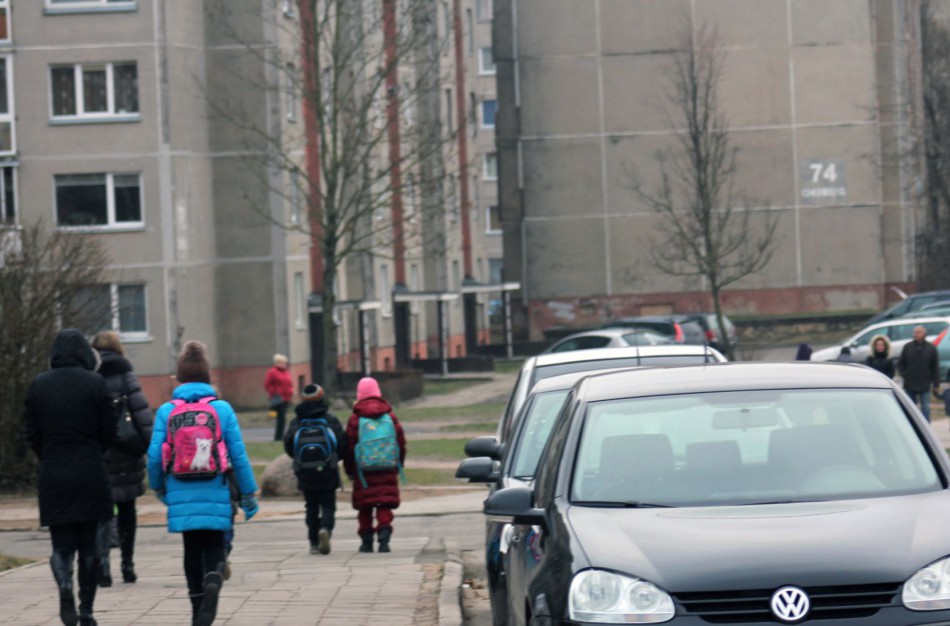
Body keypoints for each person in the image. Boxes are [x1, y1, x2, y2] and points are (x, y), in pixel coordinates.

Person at [147, 340, 259, 626]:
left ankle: (198, 607)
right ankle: (213, 580)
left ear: (179, 378)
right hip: (216, 487)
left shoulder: (166, 411)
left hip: (181, 489)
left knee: (191, 549)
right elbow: (239, 456)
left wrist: (159, 487)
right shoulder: (222, 409)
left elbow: (154, 458)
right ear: (209, 376)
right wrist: (248, 493)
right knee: (214, 546)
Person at [23, 329, 117, 626]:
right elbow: (109, 430)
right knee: (90, 545)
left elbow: (31, 432)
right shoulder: (96, 384)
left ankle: (65, 586)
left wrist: (48, 454)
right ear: (84, 355)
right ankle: (86, 609)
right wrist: (94, 450)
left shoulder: (38, 385)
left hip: (54, 470)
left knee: (62, 545)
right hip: (90, 469)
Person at [91, 331, 153, 587]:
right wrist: (150, 443)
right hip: (128, 450)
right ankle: (128, 564)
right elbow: (140, 409)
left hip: (101, 452)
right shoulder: (126, 372)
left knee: (103, 511)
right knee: (127, 508)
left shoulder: (90, 374)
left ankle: (103, 564)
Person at [343, 377, 406, 553]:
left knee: (365, 505)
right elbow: (400, 442)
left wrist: (349, 470)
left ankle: (366, 541)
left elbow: (348, 448)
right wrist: (398, 463)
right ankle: (384, 536)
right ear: (378, 392)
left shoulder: (355, 419)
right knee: (384, 503)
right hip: (387, 466)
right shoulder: (390, 416)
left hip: (363, 470)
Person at [283, 383, 347, 555]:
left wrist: (300, 460)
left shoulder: (297, 421)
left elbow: (288, 445)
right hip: (327, 469)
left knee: (311, 506)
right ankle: (325, 529)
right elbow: (342, 444)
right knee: (328, 505)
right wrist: (334, 458)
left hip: (305, 472)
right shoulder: (329, 419)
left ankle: (313, 542)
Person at [898, 325, 940, 422]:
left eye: (918, 332)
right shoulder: (907, 347)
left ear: (923, 333)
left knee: (925, 408)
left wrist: (936, 384)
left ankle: (926, 428)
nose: (915, 334)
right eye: (914, 332)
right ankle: (913, 426)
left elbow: (935, 367)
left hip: (924, 383)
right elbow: (901, 363)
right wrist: (905, 374)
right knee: (911, 408)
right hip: (910, 383)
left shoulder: (931, 348)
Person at [264, 354, 294, 441]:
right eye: (282, 362)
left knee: (282, 418)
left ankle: (280, 436)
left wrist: (291, 392)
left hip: (286, 398)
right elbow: (267, 384)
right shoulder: (272, 372)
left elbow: (289, 383)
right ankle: (278, 437)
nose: (284, 364)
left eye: (285, 362)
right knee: (281, 418)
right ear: (277, 363)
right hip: (278, 398)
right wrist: (274, 392)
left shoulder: (286, 372)